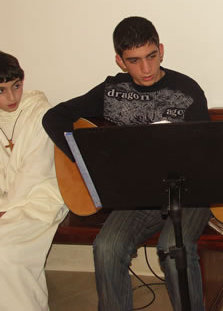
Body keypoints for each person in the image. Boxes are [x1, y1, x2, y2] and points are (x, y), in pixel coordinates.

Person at [42, 16, 212, 311]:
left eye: (151, 56)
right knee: (106, 247)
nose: (146, 69)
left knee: (173, 249)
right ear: (120, 61)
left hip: (188, 194)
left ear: (161, 50)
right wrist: (84, 162)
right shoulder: (111, 91)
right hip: (136, 197)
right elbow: (53, 118)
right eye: (134, 60)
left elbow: (207, 153)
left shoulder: (188, 91)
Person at [0, 51, 68, 310]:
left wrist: (6, 210)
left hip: (40, 199)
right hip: (6, 203)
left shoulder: (40, 113)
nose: (12, 97)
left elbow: (35, 172)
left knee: (6, 254)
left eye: (16, 87)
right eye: (2, 91)